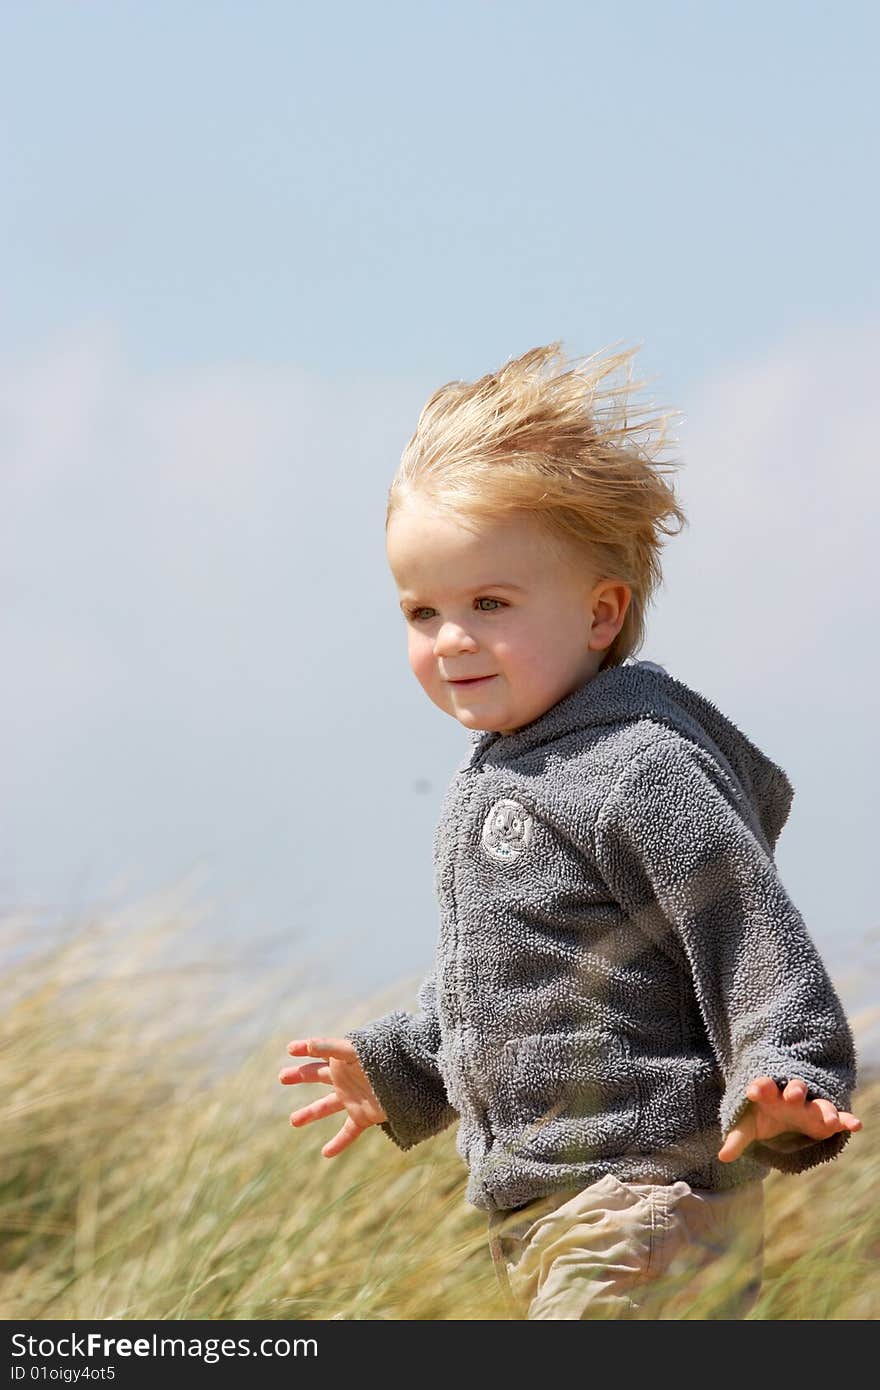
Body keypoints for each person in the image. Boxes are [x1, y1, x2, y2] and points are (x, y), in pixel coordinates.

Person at [278, 341, 862, 1319]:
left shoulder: (636, 767)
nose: (450, 637)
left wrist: (786, 1074)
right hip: (557, 1218)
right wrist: (403, 1066)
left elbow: (745, 927)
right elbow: (519, 979)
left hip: (641, 1203)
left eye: (488, 604)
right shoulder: (513, 768)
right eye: (421, 610)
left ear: (600, 613)